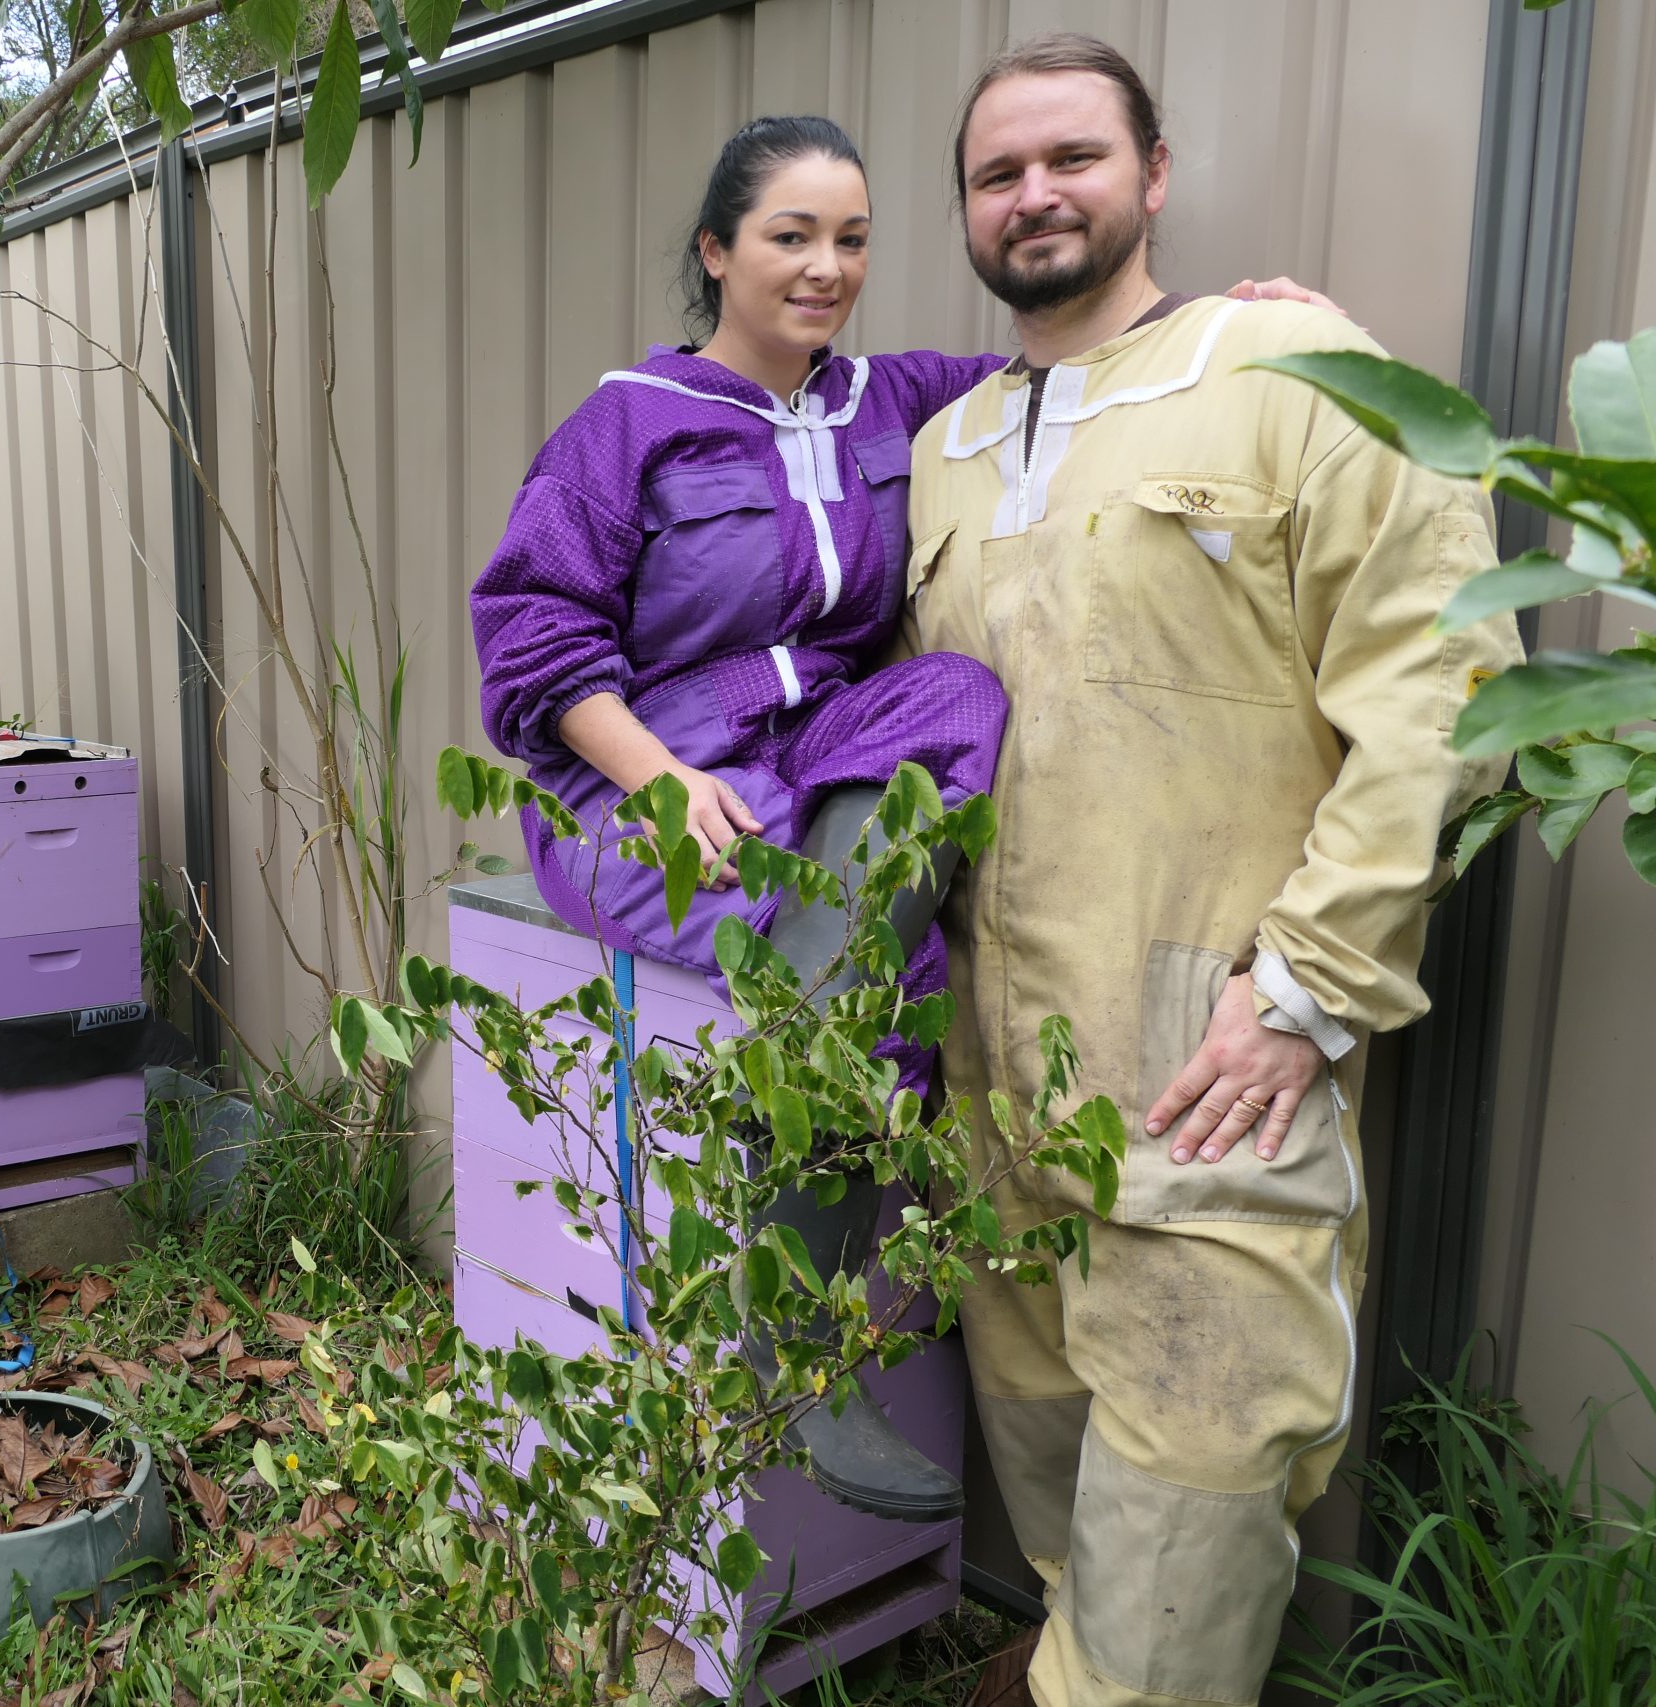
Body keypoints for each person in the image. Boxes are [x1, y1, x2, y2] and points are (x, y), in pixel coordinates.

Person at [468, 116, 1331, 1527]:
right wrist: (661, 783)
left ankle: (813, 1164)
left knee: (950, 697)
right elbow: (531, 637)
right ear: (717, 250)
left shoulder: (888, 399)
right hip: (647, 771)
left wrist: (1228, 324)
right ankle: (794, 1334)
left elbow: (1071, 358)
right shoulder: (625, 421)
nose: (825, 268)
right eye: (789, 237)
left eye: (852, 239)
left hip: (814, 744)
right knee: (825, 940)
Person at [896, 35, 1525, 1707]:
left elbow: (1453, 700)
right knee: (1053, 1493)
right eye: (997, 171)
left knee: (1191, 1509)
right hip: (997, 1099)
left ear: (1153, 174)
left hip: (1204, 1085)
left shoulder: (1297, 370)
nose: (1035, 193)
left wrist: (1302, 995)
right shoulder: (947, 443)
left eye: (1072, 158)